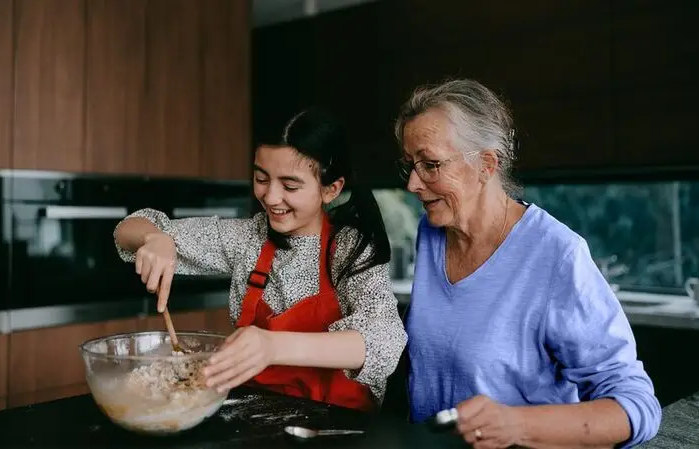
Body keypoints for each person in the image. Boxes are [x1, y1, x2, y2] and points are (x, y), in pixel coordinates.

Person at [395, 79, 661, 448]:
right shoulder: (433, 230)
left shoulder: (556, 254)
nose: (412, 184)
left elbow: (635, 406)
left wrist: (515, 424)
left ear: (486, 164)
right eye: (410, 164)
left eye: (430, 165)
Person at [113, 107, 407, 412]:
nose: (270, 197)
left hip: (339, 427)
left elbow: (385, 339)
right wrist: (154, 239)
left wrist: (273, 346)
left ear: (331, 189)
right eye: (261, 178)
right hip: (255, 418)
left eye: (290, 186)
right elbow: (129, 228)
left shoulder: (351, 248)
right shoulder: (248, 239)